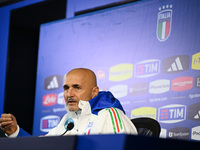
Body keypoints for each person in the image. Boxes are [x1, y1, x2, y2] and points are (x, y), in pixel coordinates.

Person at [0, 68, 137, 137]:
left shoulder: (109, 115)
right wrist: (15, 132)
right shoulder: (68, 120)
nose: (69, 94)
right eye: (66, 88)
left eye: (77, 88)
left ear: (94, 92)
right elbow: (41, 146)